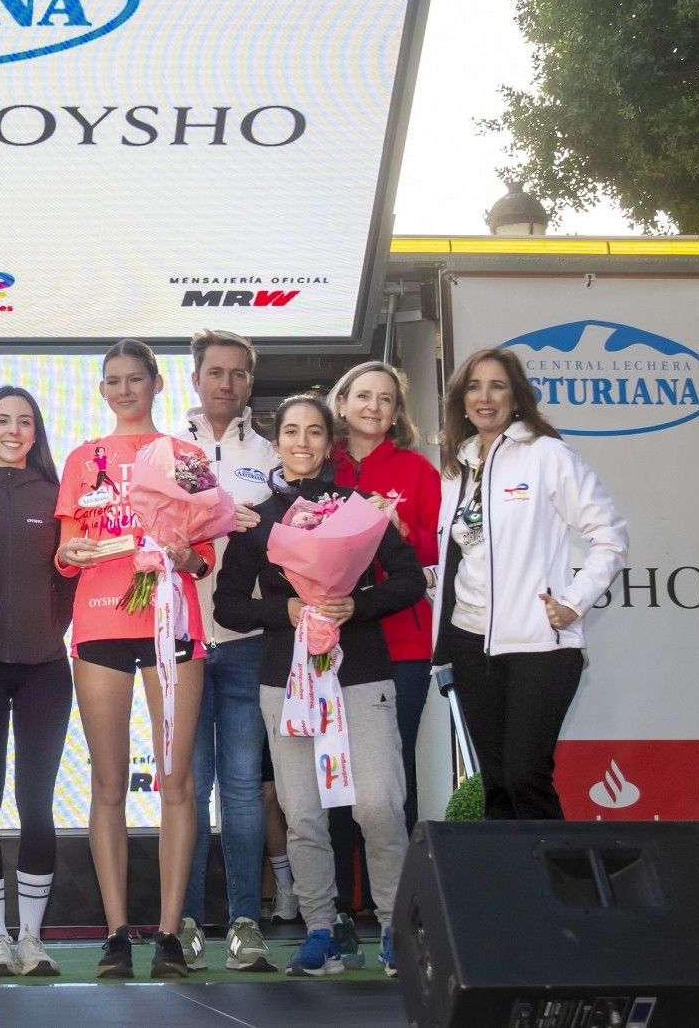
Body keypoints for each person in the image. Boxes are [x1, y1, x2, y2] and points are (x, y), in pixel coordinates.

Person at [214, 394, 426, 979]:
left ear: (329, 444)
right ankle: (320, 931)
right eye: (291, 431)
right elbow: (228, 605)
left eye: (313, 432)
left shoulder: (360, 509)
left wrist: (356, 604)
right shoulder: (256, 520)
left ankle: (394, 929)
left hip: (361, 674)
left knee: (378, 803)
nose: (302, 442)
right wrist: (282, 611)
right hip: (286, 682)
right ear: (275, 442)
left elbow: (410, 579)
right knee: (303, 812)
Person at [54, 339, 213, 980]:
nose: (125, 391)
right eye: (113, 381)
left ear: (156, 384)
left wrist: (183, 554)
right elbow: (67, 548)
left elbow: (205, 558)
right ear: (101, 390)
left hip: (173, 624)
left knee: (177, 782)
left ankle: (169, 934)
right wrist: (72, 554)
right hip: (99, 624)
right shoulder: (82, 458)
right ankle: (116, 933)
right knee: (107, 783)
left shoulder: (186, 457)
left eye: (135, 380)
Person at [432, 349, 627, 820]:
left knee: (525, 776)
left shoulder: (547, 455)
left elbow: (611, 537)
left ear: (517, 397)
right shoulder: (455, 469)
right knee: (497, 785)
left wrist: (574, 602)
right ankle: (510, 872)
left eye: (497, 385)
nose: (485, 397)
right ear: (461, 401)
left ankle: (559, 872)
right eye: (474, 387)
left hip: (539, 643)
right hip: (469, 641)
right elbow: (464, 555)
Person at [325, 361, 441, 956]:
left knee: (392, 782)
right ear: (342, 403)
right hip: (329, 646)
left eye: (386, 399)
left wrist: (399, 530)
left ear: (398, 411)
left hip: (401, 644)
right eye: (363, 395)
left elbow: (439, 551)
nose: (374, 406)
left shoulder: (418, 471)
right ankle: (343, 912)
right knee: (335, 779)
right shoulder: (322, 464)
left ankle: (402, 912)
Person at [0, 386, 75, 979]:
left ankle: (31, 938)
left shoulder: (56, 493)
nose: (13, 430)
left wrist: (52, 628)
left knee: (36, 803)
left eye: (24, 421)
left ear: (37, 431)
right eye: (1, 420)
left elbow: (72, 574)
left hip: (45, 669)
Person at [179, 330, 276, 973]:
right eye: (216, 372)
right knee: (186, 789)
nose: (226, 383)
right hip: (181, 641)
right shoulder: (166, 450)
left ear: (249, 383)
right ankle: (184, 923)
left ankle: (244, 923)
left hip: (246, 643)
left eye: (238, 374)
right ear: (195, 379)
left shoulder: (270, 455)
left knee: (242, 789)